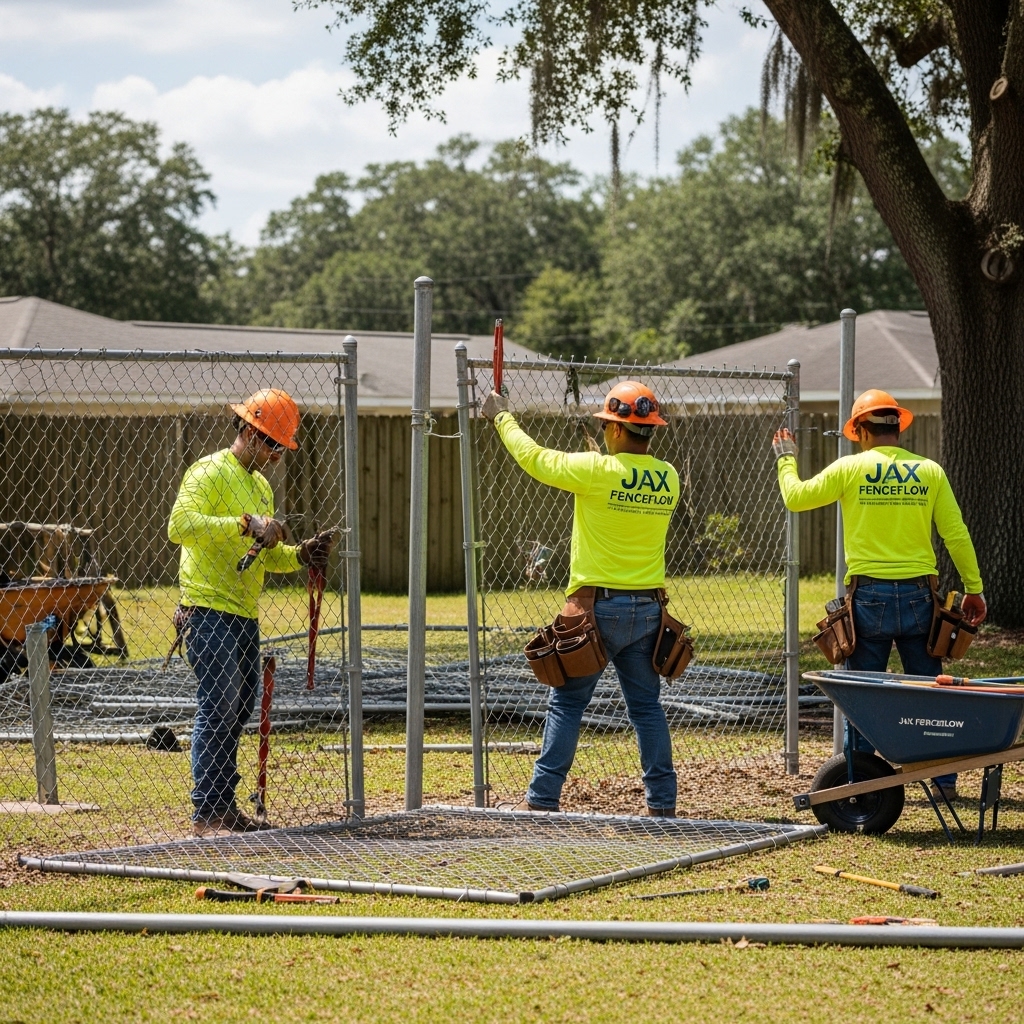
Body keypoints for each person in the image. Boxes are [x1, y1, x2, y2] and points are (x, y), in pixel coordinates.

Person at [772, 389, 986, 802]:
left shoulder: (851, 468)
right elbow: (955, 534)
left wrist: (785, 458)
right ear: (897, 428)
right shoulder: (929, 471)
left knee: (863, 696)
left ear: (860, 431)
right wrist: (973, 589)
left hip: (866, 598)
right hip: (922, 599)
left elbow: (795, 498)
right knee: (931, 690)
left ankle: (860, 783)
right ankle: (942, 783)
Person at [481, 381, 681, 816]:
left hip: (596, 610)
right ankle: (663, 803)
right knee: (647, 708)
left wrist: (501, 416)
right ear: (650, 429)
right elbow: (625, 480)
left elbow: (533, 457)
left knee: (568, 703)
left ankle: (543, 798)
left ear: (613, 429)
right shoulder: (669, 477)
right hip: (648, 609)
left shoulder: (594, 470)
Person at [168, 388, 334, 836]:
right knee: (218, 706)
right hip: (206, 607)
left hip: (243, 612)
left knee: (237, 709)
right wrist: (243, 523)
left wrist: (300, 554)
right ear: (248, 429)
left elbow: (264, 555)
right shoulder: (208, 471)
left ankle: (223, 808)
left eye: (282, 448)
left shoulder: (260, 485)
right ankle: (206, 814)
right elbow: (178, 527)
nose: (277, 456)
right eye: (272, 444)